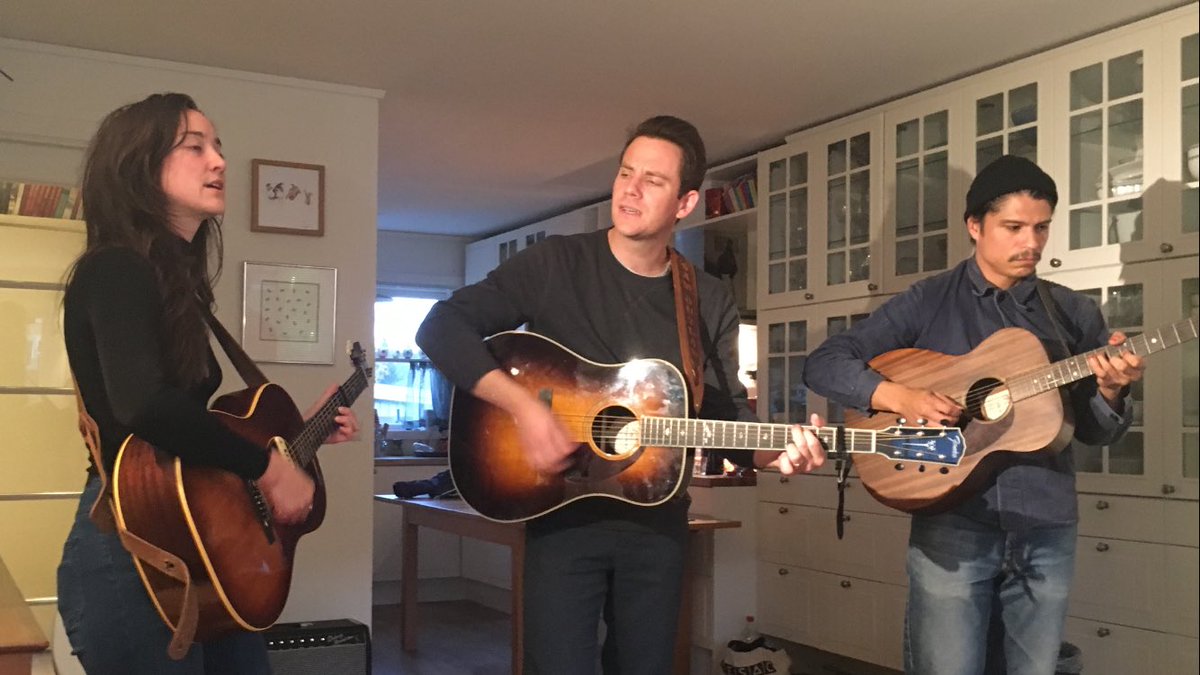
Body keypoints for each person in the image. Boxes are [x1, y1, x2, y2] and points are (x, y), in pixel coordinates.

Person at [416, 115, 827, 674]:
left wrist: (776, 452)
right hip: (561, 518)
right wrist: (522, 411)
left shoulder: (704, 298)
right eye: (626, 173)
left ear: (684, 204)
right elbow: (440, 328)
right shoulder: (556, 264)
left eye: (652, 181)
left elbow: (723, 419)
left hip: (656, 528)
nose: (630, 189)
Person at [803, 154, 1146, 675]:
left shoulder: (1073, 314)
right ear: (975, 226)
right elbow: (825, 364)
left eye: (1041, 228)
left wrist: (1113, 391)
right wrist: (901, 398)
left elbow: (1094, 432)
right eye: (1013, 227)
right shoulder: (928, 301)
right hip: (952, 526)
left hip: (1046, 526)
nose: (1030, 243)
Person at [58, 93, 359, 674]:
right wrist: (272, 468)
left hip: (200, 553)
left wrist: (301, 432)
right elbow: (147, 405)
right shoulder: (115, 268)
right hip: (132, 553)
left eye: (218, 146)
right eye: (194, 146)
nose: (219, 160)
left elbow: (201, 439)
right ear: (138, 165)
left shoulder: (177, 286)